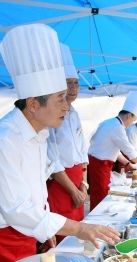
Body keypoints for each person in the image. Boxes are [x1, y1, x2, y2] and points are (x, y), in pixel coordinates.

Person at [0, 24, 119, 262]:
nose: (66, 106)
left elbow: (36, 192)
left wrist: (45, 232)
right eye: (60, 99)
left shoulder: (39, 133)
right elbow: (18, 210)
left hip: (26, 239)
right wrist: (79, 228)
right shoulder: (2, 140)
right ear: (33, 104)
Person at [46, 43, 88, 245]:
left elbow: (82, 152)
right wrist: (73, 189)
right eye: (68, 83)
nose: (73, 88)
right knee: (64, 234)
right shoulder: (51, 115)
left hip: (77, 180)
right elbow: (52, 160)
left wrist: (84, 183)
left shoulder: (75, 114)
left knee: (78, 232)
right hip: (61, 183)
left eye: (76, 83)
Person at [88, 91, 137, 210]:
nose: (131, 123)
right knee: (101, 197)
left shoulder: (110, 122)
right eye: (133, 120)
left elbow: (114, 151)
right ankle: (97, 222)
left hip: (99, 163)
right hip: (99, 165)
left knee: (102, 194)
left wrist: (128, 164)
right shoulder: (116, 127)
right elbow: (129, 150)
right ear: (129, 116)